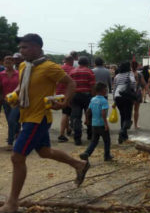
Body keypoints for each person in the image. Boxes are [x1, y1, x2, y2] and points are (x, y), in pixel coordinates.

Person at [0, 34, 89, 213]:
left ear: (36, 47)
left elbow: (71, 83)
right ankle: (79, 165)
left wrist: (64, 103)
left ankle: (12, 203)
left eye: (24, 47)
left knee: (17, 157)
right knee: (45, 152)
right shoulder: (24, 65)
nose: (20, 51)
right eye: (20, 48)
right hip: (27, 115)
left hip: (38, 118)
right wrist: (16, 95)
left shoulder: (50, 67)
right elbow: (21, 87)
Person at [79, 82, 113, 161]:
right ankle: (107, 155)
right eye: (106, 89)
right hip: (101, 124)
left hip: (94, 124)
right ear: (102, 90)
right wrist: (106, 124)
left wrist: (86, 119)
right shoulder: (104, 100)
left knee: (94, 141)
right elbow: (103, 113)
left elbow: (88, 111)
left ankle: (87, 153)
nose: (107, 91)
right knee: (107, 140)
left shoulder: (93, 99)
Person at [69, 56, 96, 145]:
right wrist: (94, 97)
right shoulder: (89, 71)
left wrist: (69, 98)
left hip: (75, 96)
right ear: (87, 63)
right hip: (87, 96)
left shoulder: (72, 71)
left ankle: (77, 138)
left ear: (78, 63)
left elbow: (69, 86)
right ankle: (90, 135)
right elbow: (92, 86)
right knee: (89, 115)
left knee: (76, 118)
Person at [0, 55, 20, 150]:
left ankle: (10, 142)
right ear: (3, 62)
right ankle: (17, 133)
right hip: (5, 102)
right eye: (6, 60)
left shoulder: (18, 74)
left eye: (10, 60)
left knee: (12, 120)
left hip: (16, 102)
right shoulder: (1, 74)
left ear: (13, 62)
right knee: (11, 121)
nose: (8, 62)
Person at [113, 62, 136, 143]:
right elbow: (133, 82)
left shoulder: (117, 76)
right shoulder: (130, 73)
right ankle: (122, 132)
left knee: (123, 116)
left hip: (117, 97)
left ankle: (124, 136)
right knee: (127, 117)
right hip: (126, 97)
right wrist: (133, 90)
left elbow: (114, 88)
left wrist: (114, 100)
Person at [55, 55, 74, 142]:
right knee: (66, 113)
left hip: (58, 93)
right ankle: (61, 134)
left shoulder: (59, 68)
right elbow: (73, 83)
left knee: (65, 111)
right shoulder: (72, 69)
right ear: (71, 61)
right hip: (67, 94)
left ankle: (68, 129)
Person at [132, 61, 150, 129]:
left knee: (129, 109)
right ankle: (135, 125)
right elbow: (144, 84)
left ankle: (128, 122)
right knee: (136, 110)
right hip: (137, 93)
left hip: (129, 93)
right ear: (137, 66)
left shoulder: (128, 74)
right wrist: (149, 92)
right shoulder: (139, 74)